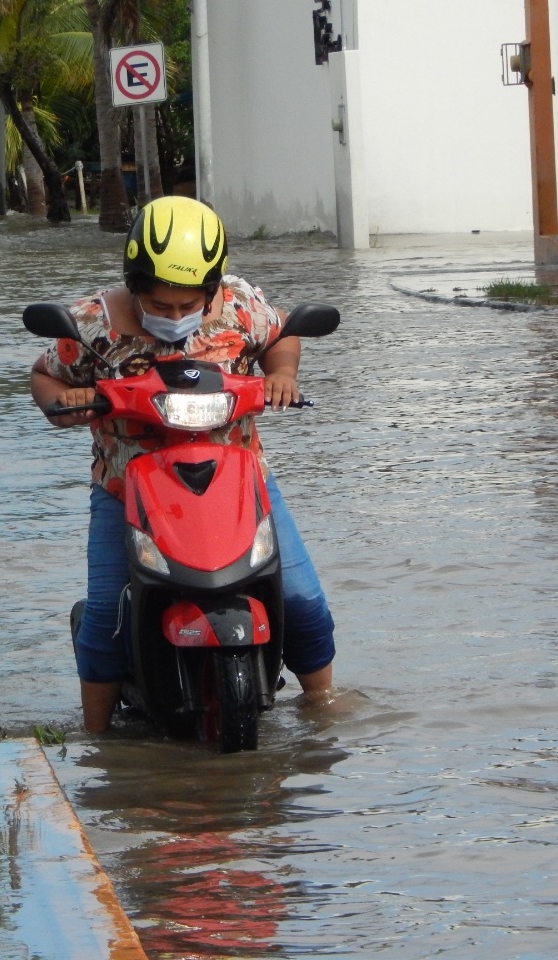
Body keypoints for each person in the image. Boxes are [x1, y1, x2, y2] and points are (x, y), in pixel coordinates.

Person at [30, 195, 336, 732]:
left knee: (301, 598)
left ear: (211, 289)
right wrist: (64, 402)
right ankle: (94, 738)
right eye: (161, 306)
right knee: (107, 613)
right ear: (135, 284)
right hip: (127, 486)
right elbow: (46, 374)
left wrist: (282, 374)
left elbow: (281, 335)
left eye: (188, 305)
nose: (175, 317)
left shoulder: (241, 307)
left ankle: (325, 708)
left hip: (238, 479)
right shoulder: (91, 324)